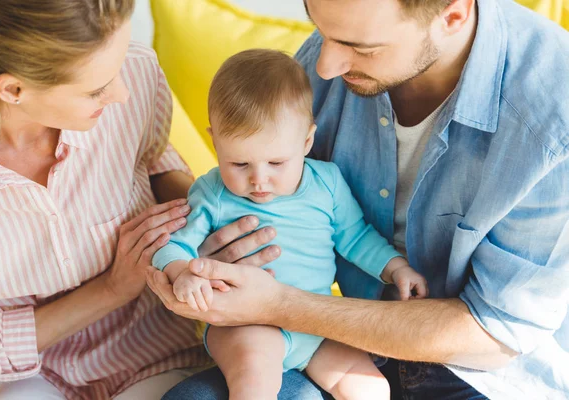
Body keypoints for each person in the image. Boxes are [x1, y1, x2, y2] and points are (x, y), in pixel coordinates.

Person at [150, 0, 569, 399]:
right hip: (323, 331)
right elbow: (274, 201)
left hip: (479, 373)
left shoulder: (551, 120)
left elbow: (497, 332)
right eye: (320, 28)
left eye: (359, 47)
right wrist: (203, 260)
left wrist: (285, 305)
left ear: (453, 16)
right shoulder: (331, 52)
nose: (324, 66)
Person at [0, 1, 280, 398]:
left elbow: (152, 161)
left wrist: (215, 227)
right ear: (13, 89)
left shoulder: (136, 72)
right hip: (34, 371)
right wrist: (111, 289)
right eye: (97, 89)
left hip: (155, 348)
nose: (122, 93)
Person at [152, 49, 429, 400]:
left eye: (276, 162)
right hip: (246, 324)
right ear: (214, 141)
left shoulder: (327, 183)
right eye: (239, 163)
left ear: (307, 141)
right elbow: (173, 246)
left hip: (314, 323)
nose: (259, 180)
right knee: (256, 380)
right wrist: (182, 272)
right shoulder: (212, 193)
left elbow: (356, 237)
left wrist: (395, 268)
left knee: (371, 388)